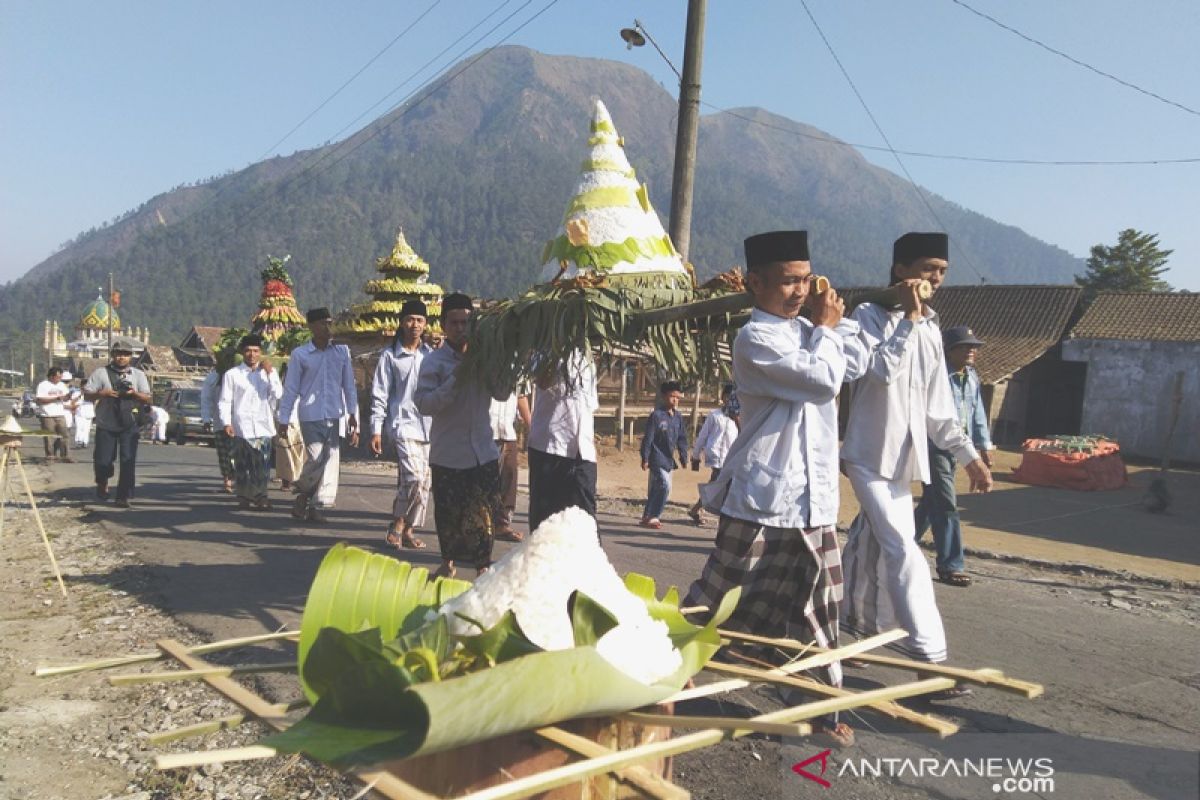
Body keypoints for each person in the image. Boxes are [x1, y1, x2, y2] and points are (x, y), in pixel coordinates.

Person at [684, 230, 866, 748]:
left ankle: (821, 709)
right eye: (788, 281)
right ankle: (667, 668)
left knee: (821, 607)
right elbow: (823, 381)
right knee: (716, 597)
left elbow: (859, 361)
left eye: (805, 279)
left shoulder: (813, 332)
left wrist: (878, 318)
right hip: (763, 496)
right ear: (755, 283)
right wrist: (827, 328)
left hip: (815, 501)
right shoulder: (754, 339)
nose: (799, 290)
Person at [841, 232, 993, 679]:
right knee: (903, 550)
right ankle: (930, 657)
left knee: (868, 547)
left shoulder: (931, 327)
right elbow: (880, 374)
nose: (936, 280)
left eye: (942, 272)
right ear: (901, 272)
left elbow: (938, 407)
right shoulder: (866, 316)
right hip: (867, 458)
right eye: (928, 270)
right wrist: (906, 318)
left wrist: (971, 457)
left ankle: (860, 633)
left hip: (905, 464)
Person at [414, 292, 505, 578]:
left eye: (466, 322)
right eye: (454, 322)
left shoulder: (486, 358)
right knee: (449, 515)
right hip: (449, 454)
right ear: (443, 325)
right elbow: (425, 404)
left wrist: (496, 364)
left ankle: (482, 569)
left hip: (483, 453)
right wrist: (458, 376)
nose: (460, 328)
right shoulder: (434, 363)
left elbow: (502, 392)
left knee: (484, 517)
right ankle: (447, 564)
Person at [913, 326, 995, 587]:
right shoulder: (938, 377)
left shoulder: (971, 376)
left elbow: (977, 413)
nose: (972, 350)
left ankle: (894, 547)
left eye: (974, 346)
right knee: (947, 504)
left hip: (960, 448)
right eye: (965, 346)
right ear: (949, 351)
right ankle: (951, 565)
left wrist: (983, 447)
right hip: (934, 447)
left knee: (931, 504)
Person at [277, 307, 359, 523]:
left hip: (334, 414)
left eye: (329, 322)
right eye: (322, 323)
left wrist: (353, 414)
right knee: (315, 457)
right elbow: (291, 388)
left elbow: (349, 385)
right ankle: (303, 491)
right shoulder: (301, 354)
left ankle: (311, 503)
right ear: (311, 327)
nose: (327, 327)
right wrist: (283, 419)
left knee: (330, 458)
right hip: (310, 414)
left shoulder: (342, 352)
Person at [370, 299, 434, 550]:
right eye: (410, 319)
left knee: (424, 483)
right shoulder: (390, 356)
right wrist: (375, 428)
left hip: (429, 426)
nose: (415, 324)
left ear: (426, 324)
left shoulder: (431, 355)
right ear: (401, 322)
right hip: (403, 424)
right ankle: (397, 523)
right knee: (414, 478)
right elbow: (380, 393)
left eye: (420, 320)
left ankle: (408, 529)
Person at [526, 350, 599, 533]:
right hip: (550, 445)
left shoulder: (587, 359)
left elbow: (590, 405)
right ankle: (540, 559)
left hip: (583, 448)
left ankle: (586, 558)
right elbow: (542, 380)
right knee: (545, 516)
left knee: (585, 513)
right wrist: (557, 345)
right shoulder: (541, 353)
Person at [84, 337, 152, 508]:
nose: (122, 357)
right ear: (113, 355)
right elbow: (87, 395)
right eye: (118, 354)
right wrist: (103, 393)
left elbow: (147, 397)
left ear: (131, 357)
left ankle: (123, 496)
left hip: (129, 423)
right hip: (106, 422)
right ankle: (102, 482)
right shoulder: (101, 373)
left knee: (128, 459)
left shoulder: (138, 375)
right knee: (103, 460)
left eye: (125, 354)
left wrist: (133, 394)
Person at [219, 334, 283, 510]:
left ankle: (262, 497)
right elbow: (225, 400)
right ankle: (244, 497)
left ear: (261, 352)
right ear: (242, 352)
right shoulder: (232, 374)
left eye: (255, 351)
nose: (252, 354)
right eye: (248, 350)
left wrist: (270, 373)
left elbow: (278, 394)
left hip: (263, 426)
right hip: (240, 426)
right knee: (242, 465)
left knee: (262, 466)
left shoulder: (269, 373)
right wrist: (226, 422)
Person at [687, 383, 740, 526]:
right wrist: (696, 454)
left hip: (730, 457)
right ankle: (713, 514)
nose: (730, 400)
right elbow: (703, 435)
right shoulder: (715, 415)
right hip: (716, 455)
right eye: (727, 396)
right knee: (719, 484)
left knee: (716, 485)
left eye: (733, 397)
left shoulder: (738, 418)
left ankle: (697, 509)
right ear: (723, 397)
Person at [638, 381, 689, 529]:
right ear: (664, 396)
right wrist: (645, 457)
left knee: (657, 487)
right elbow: (648, 438)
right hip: (656, 457)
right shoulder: (656, 416)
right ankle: (655, 516)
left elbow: (682, 438)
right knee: (665, 485)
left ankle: (647, 515)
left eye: (678, 397)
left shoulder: (678, 417)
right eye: (672, 396)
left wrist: (683, 456)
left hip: (668, 459)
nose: (675, 400)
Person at [489, 391, 531, 541]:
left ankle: (502, 524)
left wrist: (530, 424)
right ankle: (478, 526)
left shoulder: (518, 369)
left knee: (509, 474)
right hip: (484, 430)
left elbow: (521, 395)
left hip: (507, 431)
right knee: (481, 481)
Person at [200, 367, 236, 493]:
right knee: (224, 454)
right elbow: (206, 399)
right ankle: (227, 480)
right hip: (220, 423)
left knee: (237, 453)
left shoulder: (239, 374)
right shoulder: (213, 378)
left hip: (241, 424)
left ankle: (240, 479)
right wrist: (206, 419)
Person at [35, 367, 72, 462]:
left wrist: (67, 397)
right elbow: (39, 400)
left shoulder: (62, 385)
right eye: (57, 377)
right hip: (47, 415)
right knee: (49, 436)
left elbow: (65, 398)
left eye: (60, 377)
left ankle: (65, 455)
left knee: (64, 435)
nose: (59, 379)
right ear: (51, 376)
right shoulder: (43, 385)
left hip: (60, 414)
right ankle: (50, 455)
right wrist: (56, 399)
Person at [73, 382, 95, 449]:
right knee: (79, 428)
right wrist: (80, 395)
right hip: (79, 413)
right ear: (81, 386)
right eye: (84, 387)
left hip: (88, 413)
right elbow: (73, 401)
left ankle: (85, 442)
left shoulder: (92, 393)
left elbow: (95, 402)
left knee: (86, 429)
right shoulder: (76, 393)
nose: (85, 388)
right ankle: (78, 441)